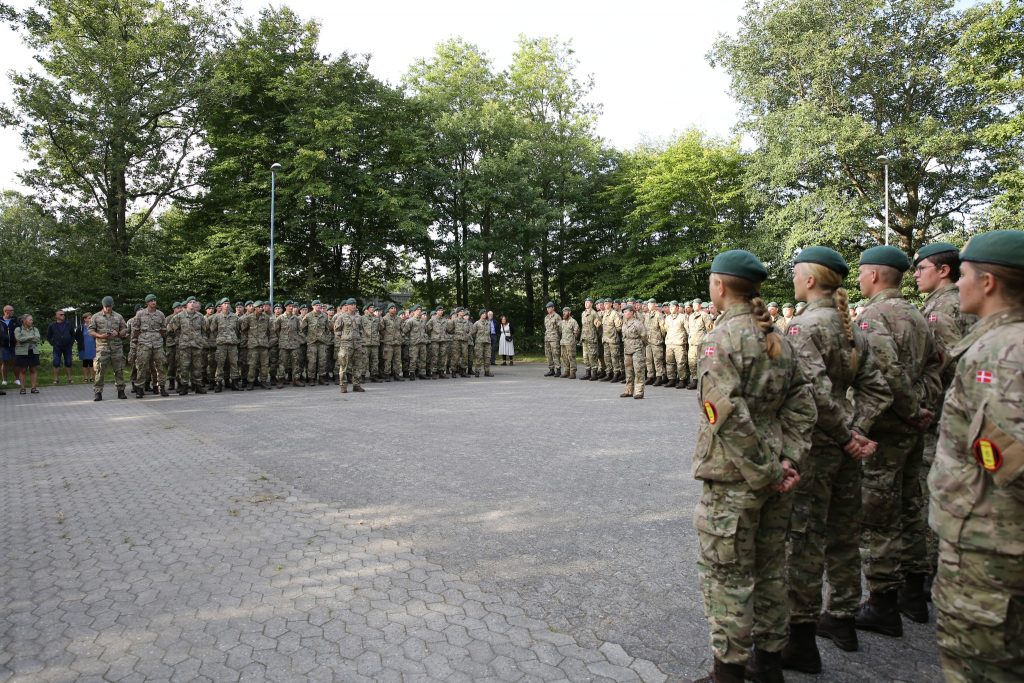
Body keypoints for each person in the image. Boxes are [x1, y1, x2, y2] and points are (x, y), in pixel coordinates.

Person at [692, 250, 815, 683]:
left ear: (720, 286)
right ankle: (769, 665)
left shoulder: (721, 339)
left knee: (726, 574)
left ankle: (728, 674)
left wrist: (767, 470)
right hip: (777, 474)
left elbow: (723, 412)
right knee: (770, 570)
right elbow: (804, 405)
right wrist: (789, 459)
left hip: (735, 477)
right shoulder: (775, 337)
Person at [782, 247, 892, 671]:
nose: (793, 279)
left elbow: (813, 395)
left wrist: (846, 435)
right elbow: (878, 389)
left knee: (804, 540)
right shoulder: (852, 329)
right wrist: (859, 430)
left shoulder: (803, 328)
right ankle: (842, 618)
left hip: (816, 448)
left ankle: (801, 638)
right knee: (844, 534)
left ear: (810, 280)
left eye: (796, 273)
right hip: (846, 448)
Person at [927, 230, 1024, 683]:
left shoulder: (1001, 352)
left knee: (978, 666)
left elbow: (1011, 458)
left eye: (963, 275)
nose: (958, 285)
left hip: (991, 543)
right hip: (992, 537)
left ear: (987, 283)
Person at [854, 245, 943, 639]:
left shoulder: (874, 315)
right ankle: (914, 592)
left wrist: (909, 409)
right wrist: (923, 406)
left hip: (889, 428)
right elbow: (937, 364)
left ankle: (882, 604)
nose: (858, 280)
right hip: (913, 426)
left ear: (874, 275)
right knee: (911, 505)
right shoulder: (917, 314)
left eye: (861, 273)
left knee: (877, 517)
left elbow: (885, 372)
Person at [911, 241, 975, 601]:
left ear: (943, 271)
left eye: (922, 268)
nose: (916, 274)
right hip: (947, 413)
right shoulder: (941, 302)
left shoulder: (945, 306)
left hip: (942, 414)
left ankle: (931, 570)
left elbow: (947, 361)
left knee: (932, 490)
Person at [89, 296, 128, 401]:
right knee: (99, 370)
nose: (108, 308)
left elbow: (125, 329)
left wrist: (119, 333)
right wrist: (101, 335)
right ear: (103, 306)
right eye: (106, 306)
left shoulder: (118, 316)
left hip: (116, 347)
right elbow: (90, 331)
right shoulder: (96, 317)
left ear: (112, 305)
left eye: (109, 306)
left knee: (119, 369)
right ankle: (98, 392)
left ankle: (121, 391)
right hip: (102, 347)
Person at [132, 294, 168, 398]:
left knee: (160, 366)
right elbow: (135, 329)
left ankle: (162, 387)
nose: (153, 302)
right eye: (151, 301)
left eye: (154, 300)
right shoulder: (140, 314)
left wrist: (157, 336)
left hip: (157, 344)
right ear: (147, 303)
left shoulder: (160, 314)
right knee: (142, 366)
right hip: (144, 343)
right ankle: (139, 388)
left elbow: (163, 329)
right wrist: (137, 341)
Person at [619, 304, 645, 399]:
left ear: (632, 312)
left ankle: (639, 391)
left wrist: (640, 346)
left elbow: (644, 335)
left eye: (626, 312)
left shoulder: (637, 323)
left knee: (638, 370)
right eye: (624, 312)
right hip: (627, 349)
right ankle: (629, 390)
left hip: (637, 349)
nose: (624, 313)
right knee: (628, 371)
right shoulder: (625, 323)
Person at [14, 313, 42, 394]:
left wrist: (25, 339)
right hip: (21, 352)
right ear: (24, 321)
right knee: (22, 370)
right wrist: (31, 337)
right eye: (30, 319)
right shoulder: (18, 329)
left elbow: (37, 339)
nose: (32, 321)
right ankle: (23, 388)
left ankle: (33, 388)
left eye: (32, 320)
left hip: (33, 351)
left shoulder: (35, 329)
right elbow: (19, 339)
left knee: (33, 369)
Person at [46, 309, 75, 385]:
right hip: (57, 346)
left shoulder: (69, 324)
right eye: (61, 314)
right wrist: (53, 343)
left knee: (68, 362)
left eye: (63, 314)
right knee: (56, 362)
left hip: (67, 346)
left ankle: (69, 379)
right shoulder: (52, 325)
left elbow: (73, 335)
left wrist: (70, 343)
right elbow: (48, 336)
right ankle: (56, 379)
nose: (63, 316)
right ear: (56, 316)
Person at [558, 306, 580, 378]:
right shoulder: (562, 322)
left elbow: (577, 332)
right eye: (563, 312)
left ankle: (572, 373)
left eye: (565, 311)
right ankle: (566, 371)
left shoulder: (573, 321)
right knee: (564, 357)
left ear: (569, 312)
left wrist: (573, 339)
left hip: (570, 343)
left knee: (571, 357)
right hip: (563, 342)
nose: (564, 313)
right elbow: (560, 331)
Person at [472, 309, 494, 377]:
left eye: (485, 313)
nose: (485, 314)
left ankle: (487, 371)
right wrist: (478, 338)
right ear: (480, 315)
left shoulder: (488, 323)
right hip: (479, 342)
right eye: (483, 313)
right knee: (479, 357)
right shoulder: (477, 323)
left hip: (487, 342)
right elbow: (473, 333)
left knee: (487, 357)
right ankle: (477, 371)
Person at [1, 304, 19, 387]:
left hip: (14, 344)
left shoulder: (15, 320)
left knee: (15, 361)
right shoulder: (0, 321)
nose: (13, 312)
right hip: (3, 345)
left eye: (13, 310)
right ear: (6, 311)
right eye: (11, 310)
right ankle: (4, 380)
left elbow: (20, 331)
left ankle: (17, 379)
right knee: (5, 362)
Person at [76, 312, 96, 383]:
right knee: (85, 363)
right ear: (85, 319)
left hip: (92, 347)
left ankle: (92, 378)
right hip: (84, 348)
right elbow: (77, 337)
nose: (91, 319)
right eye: (89, 318)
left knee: (91, 363)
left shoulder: (94, 327)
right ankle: (85, 378)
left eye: (91, 318)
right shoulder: (80, 328)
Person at [543, 301, 561, 377]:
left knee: (555, 354)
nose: (548, 309)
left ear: (553, 308)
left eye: (549, 307)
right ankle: (551, 370)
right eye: (547, 308)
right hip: (547, 338)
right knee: (548, 354)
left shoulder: (557, 317)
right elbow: (546, 328)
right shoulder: (546, 317)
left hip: (554, 338)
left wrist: (558, 337)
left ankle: (558, 370)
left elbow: (560, 328)